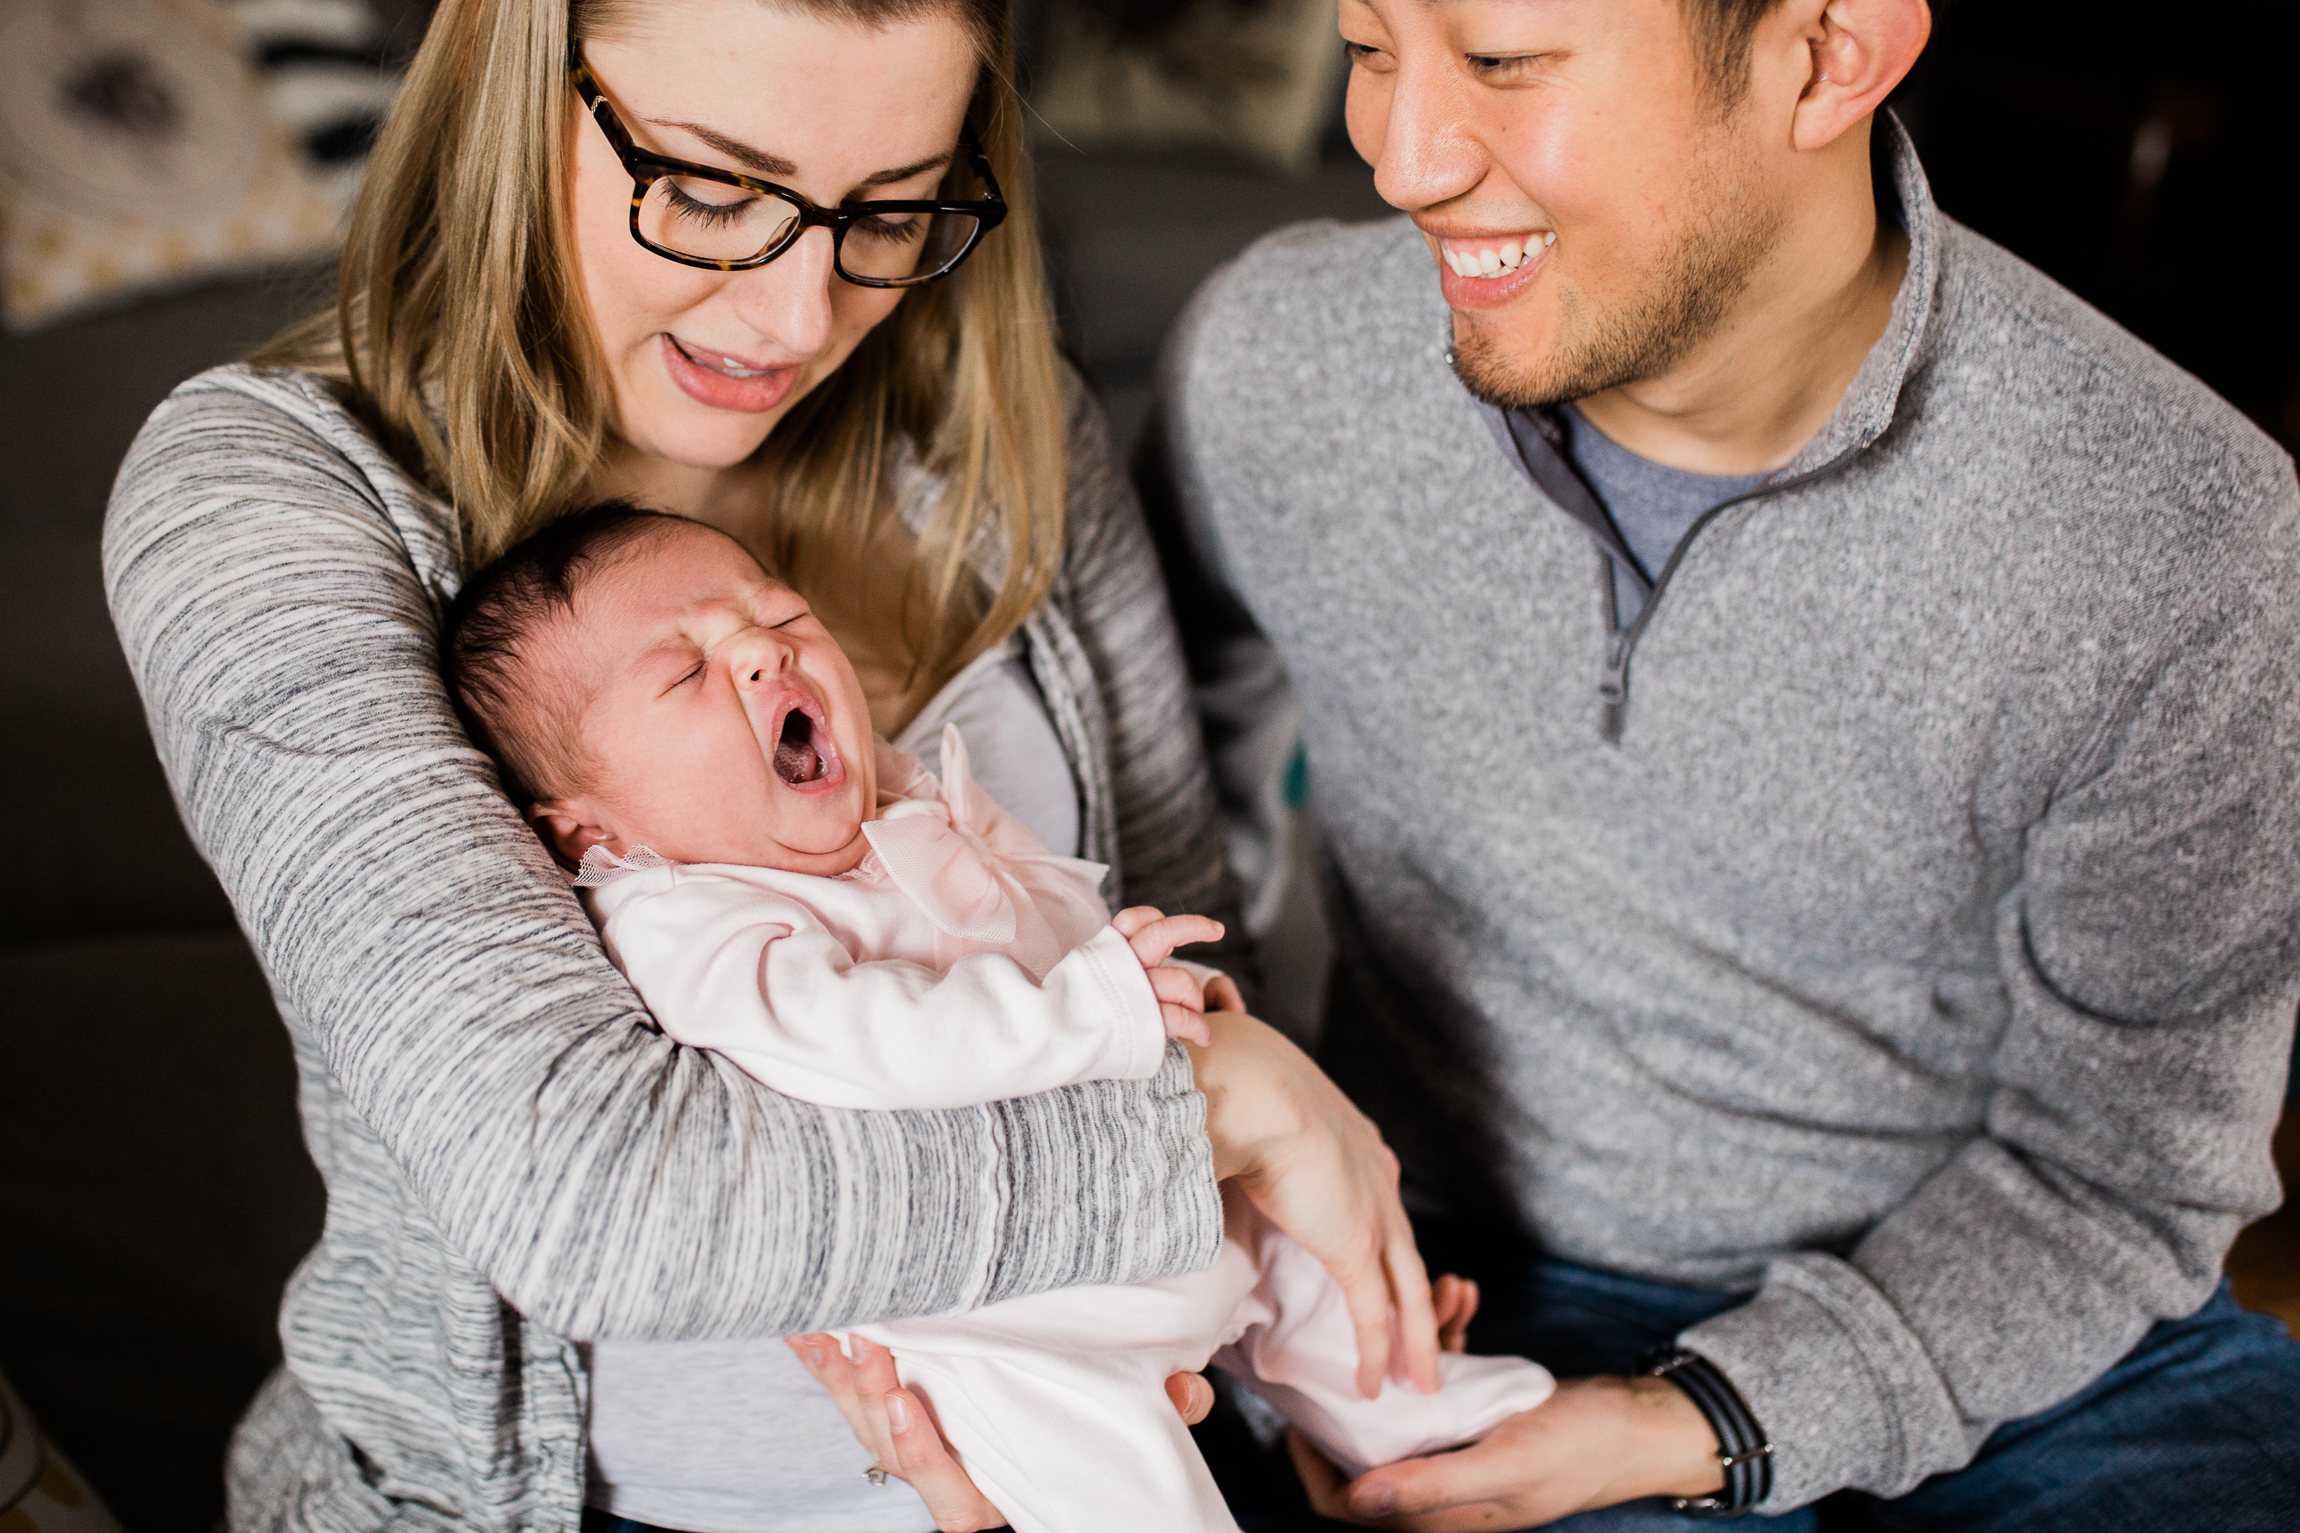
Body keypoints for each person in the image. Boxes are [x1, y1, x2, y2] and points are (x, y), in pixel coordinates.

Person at [99, 1, 1445, 1530]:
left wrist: (1298, 1373)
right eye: (717, 191)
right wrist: (1232, 1115)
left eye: (892, 212)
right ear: (508, 82)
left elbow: (1184, 937)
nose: (800, 314)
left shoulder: (1003, 442)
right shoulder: (269, 501)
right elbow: (598, 1206)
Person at [1130, 0, 2300, 1527]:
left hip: (2030, 1321)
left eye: (1498, 62)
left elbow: (2127, 1174)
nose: (1401, 158)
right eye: (1366, 47)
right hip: (1468, 1293)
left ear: (1828, 52)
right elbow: (1150, 773)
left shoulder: (2175, 535)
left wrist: (1710, 1423)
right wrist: (1249, 1208)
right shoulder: (1276, 360)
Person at [437, 502, 1559, 1533]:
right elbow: (865, 1040)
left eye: (777, 615)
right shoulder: (685, 919)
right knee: (1122, 1487)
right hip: (1000, 1322)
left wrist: (1171, 999)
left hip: (1166, 1203)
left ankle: (1395, 1403)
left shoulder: (902, 795)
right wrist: (1099, 1009)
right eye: (684, 674)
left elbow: (1068, 917)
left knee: (1306, 1254)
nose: (762, 649)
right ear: (588, 830)